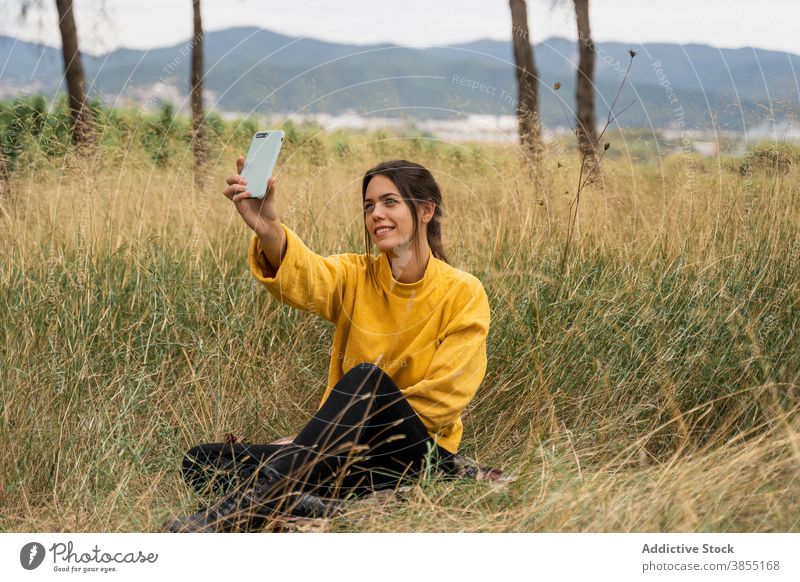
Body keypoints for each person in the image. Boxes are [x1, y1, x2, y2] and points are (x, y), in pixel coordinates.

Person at [167, 157, 491, 533]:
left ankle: (231, 516)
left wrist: (322, 440)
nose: (376, 215)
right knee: (202, 461)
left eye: (389, 202)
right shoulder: (357, 275)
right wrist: (268, 228)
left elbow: (443, 400)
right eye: (369, 206)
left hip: (413, 453)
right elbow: (306, 277)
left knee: (367, 380)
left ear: (424, 211)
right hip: (342, 456)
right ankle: (310, 498)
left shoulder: (464, 292)